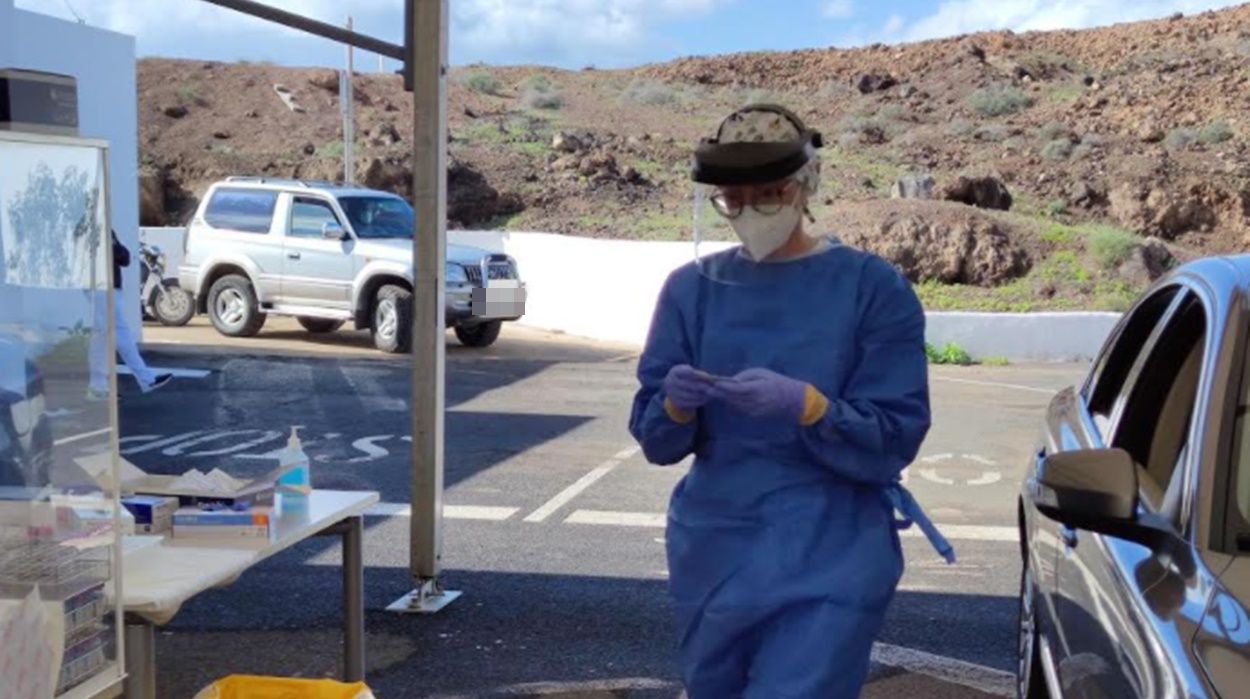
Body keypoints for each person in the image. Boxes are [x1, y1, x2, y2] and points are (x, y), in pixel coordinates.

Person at [628, 104, 953, 699]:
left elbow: (896, 433)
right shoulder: (689, 290)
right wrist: (674, 407)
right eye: (733, 198)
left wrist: (813, 409)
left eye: (769, 194)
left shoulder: (871, 288)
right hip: (717, 550)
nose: (750, 211)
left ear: (807, 186)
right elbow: (655, 440)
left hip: (832, 549)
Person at [88, 230, 172, 399]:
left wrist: (112, 243)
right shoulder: (87, 232)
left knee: (103, 336)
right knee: (119, 333)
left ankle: (98, 387)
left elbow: (125, 258)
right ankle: (146, 379)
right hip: (100, 288)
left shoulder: (107, 230)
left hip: (112, 289)